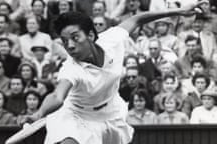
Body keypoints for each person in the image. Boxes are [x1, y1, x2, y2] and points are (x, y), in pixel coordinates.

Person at [19, 1, 206, 144]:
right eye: (65, 40)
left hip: (110, 113)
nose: (70, 46)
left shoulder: (111, 40)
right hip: (76, 116)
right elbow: (57, 96)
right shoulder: (71, 68)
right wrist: (39, 113)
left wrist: (178, 11)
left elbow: (137, 19)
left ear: (91, 35)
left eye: (75, 37)